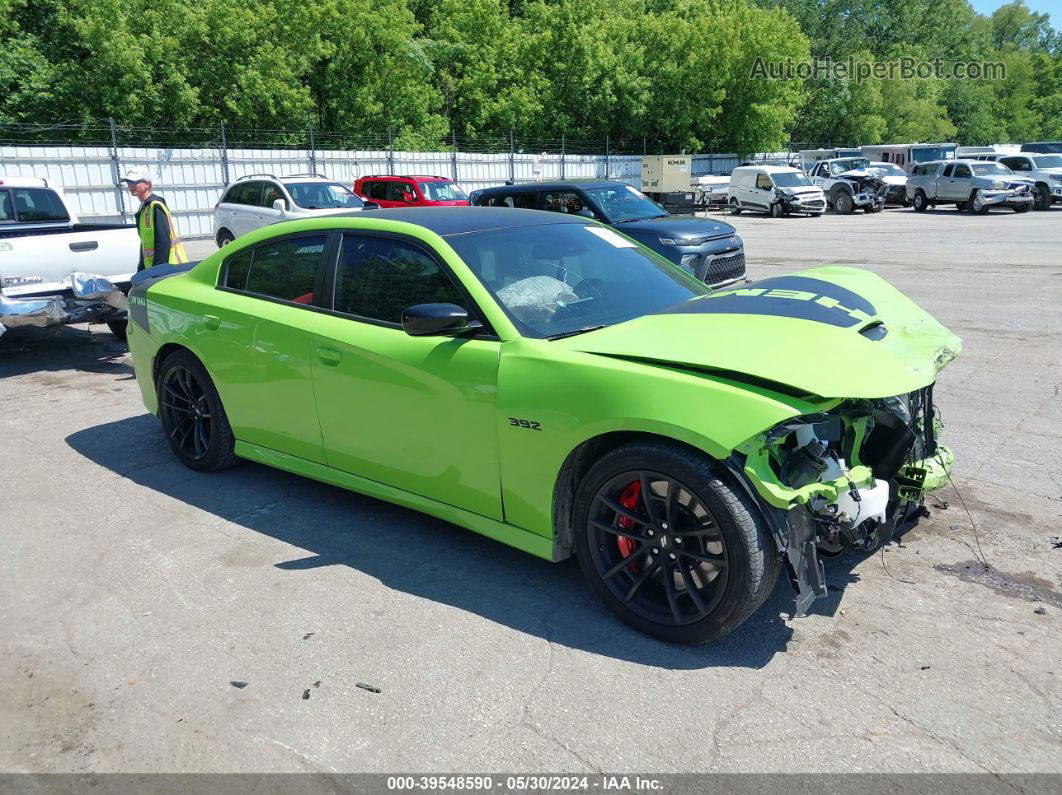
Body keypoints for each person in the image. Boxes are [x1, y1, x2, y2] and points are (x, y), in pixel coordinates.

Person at [120, 166, 188, 271]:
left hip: (169, 268)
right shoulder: (144, 208)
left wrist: (158, 271)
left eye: (134, 182)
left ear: (147, 184)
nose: (130, 185)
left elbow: (163, 242)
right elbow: (145, 244)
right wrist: (141, 270)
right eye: (128, 182)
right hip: (155, 269)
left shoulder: (155, 206)